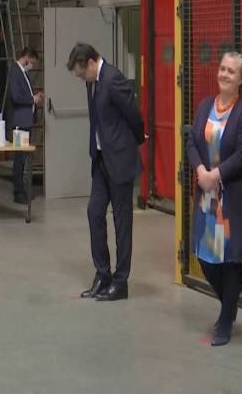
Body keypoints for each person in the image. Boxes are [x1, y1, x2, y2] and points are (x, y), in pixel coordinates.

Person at [186, 52, 242, 346]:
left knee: (230, 260)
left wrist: (216, 175)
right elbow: (192, 141)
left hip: (231, 200)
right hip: (207, 198)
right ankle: (230, 303)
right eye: (222, 69)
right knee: (206, 259)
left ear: (241, 79)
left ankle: (226, 320)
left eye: (231, 71)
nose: (224, 74)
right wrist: (201, 171)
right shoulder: (205, 105)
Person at [67, 43, 145, 301]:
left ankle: (121, 282)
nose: (82, 79)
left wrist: (133, 142)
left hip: (119, 160)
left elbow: (134, 115)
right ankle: (103, 275)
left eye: (82, 73)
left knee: (122, 223)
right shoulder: (92, 83)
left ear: (91, 62)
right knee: (94, 213)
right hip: (101, 160)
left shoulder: (114, 79)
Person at [7, 47, 43, 204]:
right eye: (32, 61)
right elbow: (16, 97)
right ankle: (18, 192)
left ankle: (23, 189)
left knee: (24, 157)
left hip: (26, 121)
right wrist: (32, 100)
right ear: (27, 57)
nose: (32, 65)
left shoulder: (23, 73)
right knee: (19, 158)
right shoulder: (15, 72)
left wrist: (34, 97)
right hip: (20, 122)